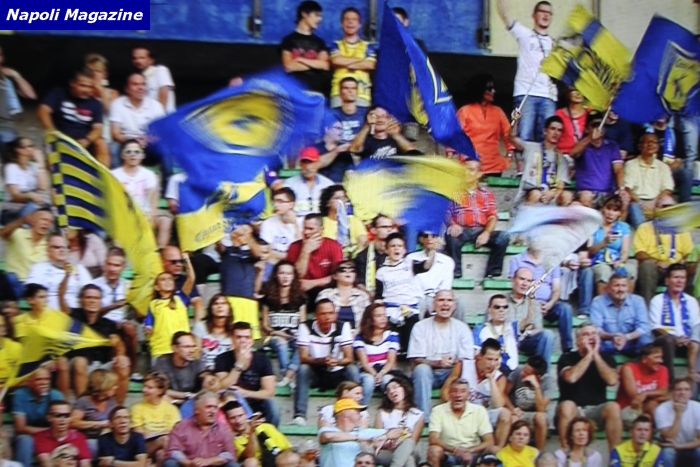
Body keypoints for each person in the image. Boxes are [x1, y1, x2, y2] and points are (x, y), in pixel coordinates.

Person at [496, 0, 556, 146]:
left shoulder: (555, 44)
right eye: (542, 11)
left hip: (548, 96)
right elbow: (506, 17)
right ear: (534, 15)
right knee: (523, 138)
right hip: (526, 93)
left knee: (547, 141)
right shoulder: (525, 35)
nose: (546, 15)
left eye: (549, 13)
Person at [292, 299, 359, 425]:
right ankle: (299, 415)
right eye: (323, 314)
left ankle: (357, 410)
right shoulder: (305, 327)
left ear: (335, 314)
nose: (327, 317)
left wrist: (336, 362)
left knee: (352, 369)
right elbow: (303, 357)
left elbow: (349, 358)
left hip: (337, 372)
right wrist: (322, 361)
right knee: (303, 369)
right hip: (316, 372)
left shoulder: (343, 326)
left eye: (331, 313)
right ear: (316, 315)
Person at [409, 290, 473, 418]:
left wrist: (453, 362)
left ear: (454, 305)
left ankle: (463, 417)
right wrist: (438, 363)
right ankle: (424, 418)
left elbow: (467, 359)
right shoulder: (420, 326)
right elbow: (416, 359)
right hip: (430, 374)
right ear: (433, 305)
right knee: (421, 370)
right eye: (441, 300)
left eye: (449, 300)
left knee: (466, 369)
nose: (445, 304)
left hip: (453, 373)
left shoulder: (462, 328)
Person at [441, 339, 514, 452]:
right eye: (489, 359)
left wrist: (491, 379)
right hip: (463, 411)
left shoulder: (499, 378)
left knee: (506, 414)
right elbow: (445, 391)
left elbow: (498, 404)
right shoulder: (463, 366)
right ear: (479, 356)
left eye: (496, 360)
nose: (492, 364)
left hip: (485, 414)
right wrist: (456, 407)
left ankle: (497, 451)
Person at [556, 325, 621, 451]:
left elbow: (612, 380)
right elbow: (571, 378)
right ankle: (566, 454)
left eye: (593, 334)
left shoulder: (606, 359)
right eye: (586, 334)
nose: (591, 337)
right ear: (577, 340)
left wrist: (595, 355)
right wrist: (588, 355)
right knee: (567, 406)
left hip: (596, 410)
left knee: (614, 407)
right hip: (573, 410)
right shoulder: (566, 358)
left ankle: (615, 457)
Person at [62, 284, 130, 403]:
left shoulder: (108, 324)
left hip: (101, 366)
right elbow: (61, 298)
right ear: (81, 300)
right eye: (88, 297)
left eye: (96, 298)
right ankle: (83, 405)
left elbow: (117, 342)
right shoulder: (72, 318)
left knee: (123, 365)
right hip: (78, 366)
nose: (92, 301)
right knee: (80, 361)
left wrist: (121, 355)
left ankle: (118, 408)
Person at [447, 160, 509, 279]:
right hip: (462, 229)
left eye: (471, 170)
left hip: (480, 229)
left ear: (479, 174)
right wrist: (453, 224)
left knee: (503, 237)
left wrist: (486, 232)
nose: (466, 173)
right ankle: (456, 271)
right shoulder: (454, 192)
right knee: (451, 236)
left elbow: (492, 216)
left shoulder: (486, 194)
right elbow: (447, 213)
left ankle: (493, 271)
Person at [37, 69, 109, 166]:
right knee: (50, 141)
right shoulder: (59, 93)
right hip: (60, 137)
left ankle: (102, 173)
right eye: (83, 85)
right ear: (72, 83)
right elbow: (43, 111)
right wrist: (52, 132)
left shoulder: (95, 103)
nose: (87, 90)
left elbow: (98, 128)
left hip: (83, 140)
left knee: (101, 143)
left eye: (90, 86)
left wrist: (87, 140)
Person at [508, 253, 572, 358]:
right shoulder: (501, 302)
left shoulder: (534, 303)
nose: (524, 283)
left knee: (547, 335)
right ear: (513, 280)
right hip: (506, 340)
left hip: (526, 341)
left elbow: (538, 329)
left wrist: (527, 334)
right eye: (522, 279)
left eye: (528, 281)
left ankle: (544, 367)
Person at [377, 233, 435, 349]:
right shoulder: (381, 271)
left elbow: (427, 265)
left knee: (411, 339)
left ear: (404, 250)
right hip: (390, 311)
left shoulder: (410, 265)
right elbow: (378, 295)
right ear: (386, 250)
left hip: (410, 310)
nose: (396, 248)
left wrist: (432, 250)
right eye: (393, 246)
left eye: (399, 246)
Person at [214, 321, 278, 426]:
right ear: (232, 339)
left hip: (256, 400)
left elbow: (269, 392)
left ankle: (272, 431)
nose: (243, 341)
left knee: (272, 404)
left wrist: (246, 393)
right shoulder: (221, 359)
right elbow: (221, 387)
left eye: (247, 337)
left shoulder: (263, 360)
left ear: (252, 341)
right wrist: (238, 365)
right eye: (238, 337)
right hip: (232, 403)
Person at [633, 195, 694, 304]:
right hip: (657, 268)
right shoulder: (645, 227)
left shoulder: (681, 229)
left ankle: (689, 307)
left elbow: (689, 253)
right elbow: (639, 253)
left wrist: (682, 262)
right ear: (655, 208)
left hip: (677, 266)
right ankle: (647, 307)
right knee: (647, 266)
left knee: (694, 267)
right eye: (664, 206)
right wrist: (657, 262)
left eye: (670, 206)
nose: (667, 209)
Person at [111, 140, 171, 248]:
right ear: (122, 155)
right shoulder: (114, 175)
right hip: (125, 215)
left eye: (136, 152)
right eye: (128, 152)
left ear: (142, 155)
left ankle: (159, 251)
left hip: (146, 214)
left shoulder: (149, 174)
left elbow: (153, 200)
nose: (133, 155)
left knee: (165, 220)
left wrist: (151, 216)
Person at [91, 247, 139, 378]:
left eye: (116, 265)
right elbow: (91, 314)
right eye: (109, 264)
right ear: (104, 264)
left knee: (130, 328)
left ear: (123, 267)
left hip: (121, 325)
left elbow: (136, 314)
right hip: (100, 324)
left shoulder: (128, 286)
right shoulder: (94, 285)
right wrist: (114, 306)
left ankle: (132, 371)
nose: (112, 269)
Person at [649, 263, 700, 383]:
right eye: (676, 277)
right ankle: (670, 383)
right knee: (667, 340)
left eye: (682, 278)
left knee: (697, 339)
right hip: (666, 342)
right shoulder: (657, 300)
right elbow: (655, 328)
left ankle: (694, 376)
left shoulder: (691, 301)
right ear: (667, 280)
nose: (679, 281)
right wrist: (675, 338)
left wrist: (689, 339)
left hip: (688, 342)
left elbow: (696, 325)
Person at [428, 378, 495, 467]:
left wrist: (469, 451)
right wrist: (455, 450)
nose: (458, 395)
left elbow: (489, 441)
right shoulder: (437, 410)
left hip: (473, 453)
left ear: (468, 395)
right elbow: (433, 439)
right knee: (434, 451)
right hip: (448, 453)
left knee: (493, 450)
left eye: (462, 391)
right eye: (454, 391)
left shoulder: (479, 410)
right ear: (449, 393)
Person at [456, 74, 514, 175]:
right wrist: (464, 158)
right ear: (479, 90)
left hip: (495, 168)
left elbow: (509, 136)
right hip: (470, 167)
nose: (493, 91)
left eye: (494, 88)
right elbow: (455, 136)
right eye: (489, 89)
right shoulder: (464, 111)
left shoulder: (498, 111)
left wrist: (509, 156)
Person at [260, 261, 306, 387]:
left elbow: (302, 324)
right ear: (276, 275)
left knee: (303, 344)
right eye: (282, 273)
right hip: (274, 336)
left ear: (293, 276)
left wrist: (296, 334)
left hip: (293, 335)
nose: (285, 277)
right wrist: (277, 332)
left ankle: (288, 375)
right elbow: (265, 325)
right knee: (281, 343)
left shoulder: (300, 299)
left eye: (289, 274)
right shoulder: (268, 299)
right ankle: (288, 376)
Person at [318, 398, 402, 467]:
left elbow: (399, 431)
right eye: (357, 411)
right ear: (345, 413)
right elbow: (328, 436)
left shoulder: (363, 432)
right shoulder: (328, 430)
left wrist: (386, 436)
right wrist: (358, 439)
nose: (361, 415)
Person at [511, 114, 571, 207]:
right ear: (545, 131)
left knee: (567, 195)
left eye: (559, 130)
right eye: (553, 129)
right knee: (536, 193)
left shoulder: (562, 159)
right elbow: (512, 138)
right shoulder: (530, 147)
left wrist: (551, 194)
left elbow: (560, 187)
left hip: (551, 197)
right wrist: (515, 121)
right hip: (530, 195)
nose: (556, 133)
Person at [585, 195, 635, 302]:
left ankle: (626, 304)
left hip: (616, 260)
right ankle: (604, 305)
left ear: (619, 213)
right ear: (603, 208)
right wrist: (604, 242)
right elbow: (590, 250)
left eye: (615, 210)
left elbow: (625, 251)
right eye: (608, 208)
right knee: (604, 271)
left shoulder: (623, 227)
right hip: (598, 260)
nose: (610, 213)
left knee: (631, 270)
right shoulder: (593, 225)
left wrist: (620, 261)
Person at [164, 392, 236, 467]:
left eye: (215, 407)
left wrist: (209, 461)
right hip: (189, 465)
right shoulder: (181, 427)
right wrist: (188, 463)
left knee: (232, 465)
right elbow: (173, 451)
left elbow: (229, 454)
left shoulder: (224, 429)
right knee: (170, 463)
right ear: (196, 410)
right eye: (208, 407)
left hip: (214, 465)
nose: (213, 411)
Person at [569, 111, 624, 207]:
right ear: (587, 129)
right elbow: (572, 153)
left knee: (624, 198)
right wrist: (590, 138)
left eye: (601, 124)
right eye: (594, 125)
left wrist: (621, 188)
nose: (598, 128)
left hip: (608, 192)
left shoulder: (612, 146)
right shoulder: (582, 145)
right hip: (586, 192)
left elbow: (618, 169)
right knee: (586, 196)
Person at [109, 71, 165, 165]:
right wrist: (133, 140)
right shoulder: (117, 104)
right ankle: (116, 174)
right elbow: (115, 133)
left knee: (165, 147)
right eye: (135, 84)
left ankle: (169, 174)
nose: (140, 88)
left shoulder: (156, 105)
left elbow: (162, 132)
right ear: (127, 89)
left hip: (149, 143)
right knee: (113, 147)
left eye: (143, 84)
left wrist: (149, 139)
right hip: (126, 142)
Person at [12, 367, 64, 467]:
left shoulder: (56, 395)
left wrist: (51, 433)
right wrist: (47, 432)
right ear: (29, 382)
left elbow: (61, 423)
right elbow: (20, 428)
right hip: (29, 434)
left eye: (47, 379)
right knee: (24, 440)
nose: (44, 382)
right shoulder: (20, 394)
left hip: (51, 434)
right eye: (39, 379)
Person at [589, 274, 653, 356]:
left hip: (631, 343)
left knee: (646, 339)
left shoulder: (638, 301)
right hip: (608, 343)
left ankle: (641, 364)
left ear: (628, 288)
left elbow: (643, 327)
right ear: (608, 288)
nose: (620, 289)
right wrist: (612, 337)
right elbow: (596, 329)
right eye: (616, 285)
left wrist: (626, 337)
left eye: (623, 286)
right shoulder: (598, 301)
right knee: (592, 339)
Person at [25, 234, 92, 311]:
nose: (62, 250)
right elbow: (32, 294)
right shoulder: (39, 268)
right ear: (48, 250)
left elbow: (91, 293)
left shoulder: (80, 269)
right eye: (57, 247)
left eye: (65, 247)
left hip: (76, 314)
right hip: (48, 314)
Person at [130, 372, 181, 467]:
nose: (144, 390)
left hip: (164, 446)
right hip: (143, 446)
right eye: (144, 386)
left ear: (160, 391)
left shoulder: (171, 409)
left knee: (160, 454)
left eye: (149, 388)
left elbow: (174, 433)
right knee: (164, 439)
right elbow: (139, 433)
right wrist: (160, 434)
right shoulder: (137, 408)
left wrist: (152, 433)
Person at [623, 133, 675, 228]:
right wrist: (641, 203)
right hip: (637, 201)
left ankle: (663, 228)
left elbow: (667, 188)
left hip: (656, 201)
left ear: (658, 146)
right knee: (633, 206)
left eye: (654, 142)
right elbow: (627, 188)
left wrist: (655, 202)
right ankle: (643, 229)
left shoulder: (663, 167)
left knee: (668, 200)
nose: (650, 144)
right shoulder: (630, 164)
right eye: (647, 142)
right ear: (640, 146)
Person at [1, 207, 53, 298]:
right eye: (43, 219)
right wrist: (22, 220)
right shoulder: (19, 233)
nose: (47, 223)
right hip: (12, 283)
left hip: (34, 286)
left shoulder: (51, 242)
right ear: (33, 221)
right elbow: (3, 234)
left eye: (50, 221)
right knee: (9, 278)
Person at [286, 214, 343, 296]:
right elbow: (296, 276)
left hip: (327, 290)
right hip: (300, 291)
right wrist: (305, 251)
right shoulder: (294, 247)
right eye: (304, 228)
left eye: (310, 229)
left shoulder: (333, 246)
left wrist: (312, 283)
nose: (306, 232)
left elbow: (338, 276)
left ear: (321, 230)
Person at [280, 0, 330, 94]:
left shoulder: (320, 42)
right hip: (293, 91)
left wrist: (300, 60)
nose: (319, 19)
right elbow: (289, 66)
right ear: (304, 14)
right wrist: (315, 65)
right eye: (316, 15)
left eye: (320, 16)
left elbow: (324, 65)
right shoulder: (288, 40)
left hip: (314, 91)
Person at [504, 356, 553, 452]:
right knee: (513, 419)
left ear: (537, 376)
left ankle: (539, 452)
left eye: (527, 372)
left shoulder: (548, 381)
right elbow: (504, 394)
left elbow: (541, 409)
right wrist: (512, 409)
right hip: (517, 411)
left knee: (541, 417)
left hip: (534, 414)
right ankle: (510, 451)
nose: (523, 373)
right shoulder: (518, 372)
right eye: (524, 369)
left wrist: (536, 386)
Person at [329, 8, 376, 109]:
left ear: (359, 25)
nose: (350, 22)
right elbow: (336, 61)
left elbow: (370, 64)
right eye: (347, 19)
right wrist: (361, 60)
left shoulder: (368, 46)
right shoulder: (336, 44)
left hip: (362, 93)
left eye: (354, 19)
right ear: (341, 24)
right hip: (338, 93)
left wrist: (345, 62)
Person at [354, 303, 400, 404]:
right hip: (367, 372)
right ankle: (361, 407)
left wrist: (381, 373)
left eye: (384, 315)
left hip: (386, 371)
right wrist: (375, 374)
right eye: (379, 316)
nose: (383, 318)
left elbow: (391, 361)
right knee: (369, 380)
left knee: (388, 381)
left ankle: (391, 408)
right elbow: (364, 363)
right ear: (369, 319)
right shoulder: (360, 338)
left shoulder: (392, 335)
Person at [145, 269, 194, 361]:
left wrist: (186, 261)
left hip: (181, 349)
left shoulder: (180, 299)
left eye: (170, 279)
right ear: (157, 287)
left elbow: (191, 279)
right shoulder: (153, 304)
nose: (168, 281)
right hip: (160, 350)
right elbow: (149, 323)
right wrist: (148, 328)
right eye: (163, 279)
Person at [223, 400, 291, 467]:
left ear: (246, 415)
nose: (238, 421)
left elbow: (286, 448)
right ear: (227, 420)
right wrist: (252, 432)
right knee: (250, 463)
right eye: (233, 418)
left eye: (240, 416)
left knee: (291, 457)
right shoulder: (232, 440)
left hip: (279, 462)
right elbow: (249, 456)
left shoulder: (266, 427)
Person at [69, 369, 119, 456]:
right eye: (113, 385)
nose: (116, 387)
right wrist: (99, 424)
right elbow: (73, 422)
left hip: (108, 437)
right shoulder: (84, 401)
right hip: (89, 438)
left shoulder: (112, 401)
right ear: (103, 387)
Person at [616, 343, 669, 420]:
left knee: (653, 408)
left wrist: (646, 394)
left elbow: (663, 391)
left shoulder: (662, 369)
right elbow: (635, 398)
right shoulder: (628, 369)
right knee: (652, 407)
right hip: (629, 409)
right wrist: (657, 397)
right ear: (644, 359)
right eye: (657, 357)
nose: (661, 361)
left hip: (648, 408)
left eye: (661, 357)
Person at [655, 377, 700, 466]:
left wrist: (680, 446)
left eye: (686, 389)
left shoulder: (698, 408)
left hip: (690, 445)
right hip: (671, 447)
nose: (682, 392)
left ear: (691, 393)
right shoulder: (661, 409)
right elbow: (669, 437)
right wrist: (678, 414)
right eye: (679, 389)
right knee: (667, 454)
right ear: (672, 392)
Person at [2, 136, 48, 222]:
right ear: (19, 150)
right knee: (36, 209)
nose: (33, 149)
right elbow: (15, 195)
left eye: (33, 146)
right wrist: (30, 195)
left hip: (32, 205)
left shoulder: (33, 166)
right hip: (14, 209)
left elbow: (43, 187)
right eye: (29, 146)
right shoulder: (11, 167)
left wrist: (41, 163)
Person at [316, 261, 371, 331]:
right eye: (343, 270)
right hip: (332, 335)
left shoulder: (363, 296)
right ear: (335, 276)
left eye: (352, 270)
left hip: (357, 334)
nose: (348, 272)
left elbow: (368, 321)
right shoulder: (325, 295)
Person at [34, 401, 91, 467]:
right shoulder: (41, 437)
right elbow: (46, 463)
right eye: (58, 416)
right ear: (49, 418)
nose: (63, 419)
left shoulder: (80, 437)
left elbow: (85, 463)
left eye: (66, 416)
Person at [153, 332, 206, 402]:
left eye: (193, 346)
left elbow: (206, 384)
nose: (191, 350)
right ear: (175, 348)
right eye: (187, 347)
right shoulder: (162, 362)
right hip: (171, 401)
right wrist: (187, 395)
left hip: (194, 402)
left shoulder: (197, 362)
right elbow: (159, 388)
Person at [349, 106, 416, 161]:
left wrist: (396, 135)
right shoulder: (365, 140)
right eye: (376, 117)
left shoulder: (397, 140)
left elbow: (412, 152)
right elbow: (354, 149)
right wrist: (367, 125)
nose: (380, 119)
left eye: (384, 116)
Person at [473, 295, 519, 374]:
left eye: (505, 307)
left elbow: (529, 321)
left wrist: (531, 300)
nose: (501, 310)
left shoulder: (513, 326)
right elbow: (475, 354)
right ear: (489, 309)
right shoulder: (479, 329)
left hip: (512, 373)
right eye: (497, 307)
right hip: (490, 371)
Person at [0, 46, 36, 145]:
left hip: (7, 129)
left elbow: (31, 95)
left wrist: (16, 75)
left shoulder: (7, 79)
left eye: (0, 54)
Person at [319, 185, 368, 258]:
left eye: (344, 198)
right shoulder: (321, 222)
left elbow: (363, 241)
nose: (342, 201)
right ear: (327, 203)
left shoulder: (354, 221)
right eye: (338, 198)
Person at [284, 148, 334, 218]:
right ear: (300, 164)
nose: (307, 167)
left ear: (318, 163)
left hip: (321, 222)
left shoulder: (328, 184)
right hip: (297, 221)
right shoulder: (289, 184)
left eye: (311, 162)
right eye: (304, 163)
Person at [259, 188, 302, 265]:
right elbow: (267, 252)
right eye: (274, 201)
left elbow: (302, 249)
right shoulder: (268, 223)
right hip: (273, 264)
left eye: (280, 201)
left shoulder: (301, 222)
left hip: (296, 264)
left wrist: (294, 224)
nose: (276, 205)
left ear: (291, 204)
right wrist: (291, 256)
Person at [354, 214, 393, 297]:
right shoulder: (362, 256)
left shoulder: (397, 254)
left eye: (391, 227)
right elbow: (359, 282)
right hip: (369, 297)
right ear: (373, 230)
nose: (389, 230)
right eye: (385, 227)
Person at [193, 295, 234, 370]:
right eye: (216, 303)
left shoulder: (234, 330)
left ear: (229, 309)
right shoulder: (200, 326)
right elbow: (196, 354)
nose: (220, 306)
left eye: (223, 303)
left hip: (226, 371)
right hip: (204, 371)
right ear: (210, 309)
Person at [131, 45, 175, 113]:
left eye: (142, 58)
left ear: (151, 60)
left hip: (163, 116)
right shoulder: (138, 78)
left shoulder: (160, 70)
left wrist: (159, 114)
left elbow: (164, 91)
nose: (138, 61)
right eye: (135, 58)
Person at [333, 77, 369, 145]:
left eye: (353, 88)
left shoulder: (367, 113)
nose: (350, 91)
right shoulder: (332, 114)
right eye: (346, 88)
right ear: (340, 92)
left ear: (357, 92)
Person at [554, 88, 588, 156]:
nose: (578, 94)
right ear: (568, 94)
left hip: (583, 155)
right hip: (562, 154)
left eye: (581, 91)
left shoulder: (590, 114)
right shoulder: (559, 113)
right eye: (575, 91)